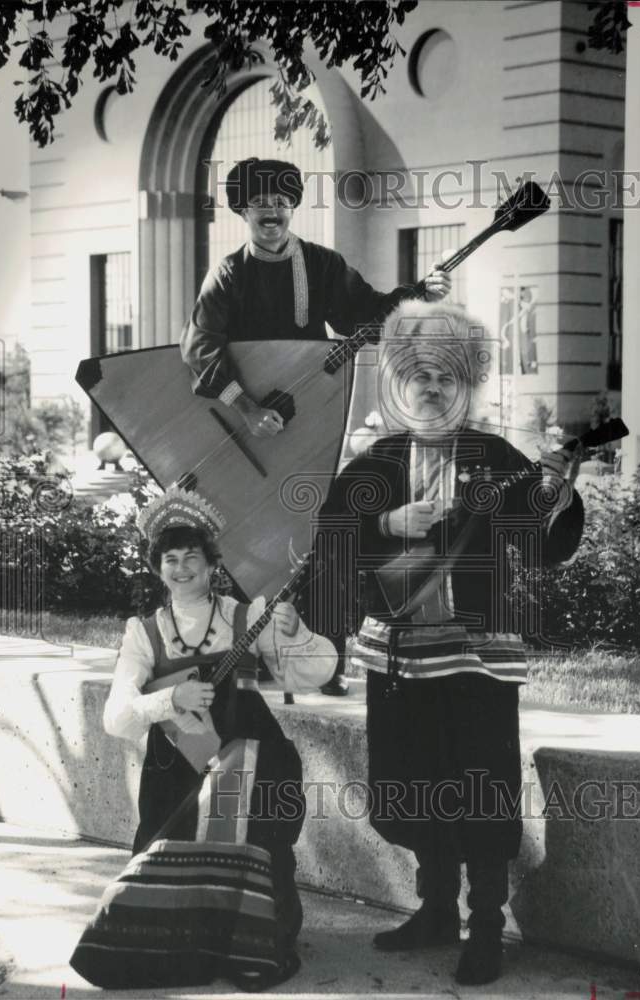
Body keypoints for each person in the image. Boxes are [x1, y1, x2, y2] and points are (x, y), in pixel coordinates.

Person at [312, 299, 584, 986]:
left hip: (477, 653)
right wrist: (392, 524)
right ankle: (434, 908)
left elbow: (541, 543)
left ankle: (485, 926)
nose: (432, 388)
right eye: (420, 375)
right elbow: (332, 542)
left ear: (466, 384)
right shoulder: (376, 461)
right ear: (400, 383)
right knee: (408, 784)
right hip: (397, 654)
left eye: (446, 376)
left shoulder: (498, 458)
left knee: (478, 785)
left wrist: (554, 496)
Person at [181, 157, 451, 696]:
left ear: (292, 206)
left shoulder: (321, 266)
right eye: (260, 201)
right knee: (243, 548)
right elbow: (200, 346)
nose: (272, 209)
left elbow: (366, 315)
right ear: (244, 210)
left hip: (308, 426)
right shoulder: (229, 274)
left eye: (282, 199)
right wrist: (247, 406)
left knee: (322, 534)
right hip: (242, 431)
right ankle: (242, 663)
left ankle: (324, 665)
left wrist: (418, 294)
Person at [103, 485, 336, 988]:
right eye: (170, 558)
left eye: (192, 557)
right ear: (157, 567)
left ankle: (254, 939)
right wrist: (170, 700)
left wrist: (294, 634)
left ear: (212, 564)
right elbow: (117, 717)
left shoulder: (245, 615)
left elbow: (313, 674)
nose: (182, 568)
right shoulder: (143, 632)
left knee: (261, 845)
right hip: (178, 766)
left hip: (252, 756)